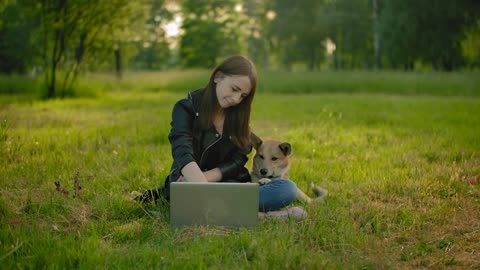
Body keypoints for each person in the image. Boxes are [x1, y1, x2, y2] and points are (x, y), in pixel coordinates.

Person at [136, 55, 305, 219]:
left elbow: (237, 161)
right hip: (189, 182)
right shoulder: (185, 108)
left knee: (287, 188)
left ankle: (217, 209)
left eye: (243, 96)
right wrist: (199, 184)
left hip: (228, 184)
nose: (236, 99)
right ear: (218, 77)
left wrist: (208, 182)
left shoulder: (238, 118)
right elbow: (182, 150)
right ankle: (269, 216)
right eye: (234, 89)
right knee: (192, 198)